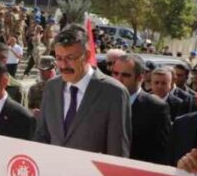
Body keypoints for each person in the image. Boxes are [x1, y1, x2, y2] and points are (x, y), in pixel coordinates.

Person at [32, 25, 130, 157]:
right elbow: (41, 136)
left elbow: (117, 152)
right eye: (59, 58)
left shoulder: (114, 93)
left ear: (87, 55)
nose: (63, 65)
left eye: (70, 58)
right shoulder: (51, 87)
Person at [112, 54, 171, 165]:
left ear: (140, 78)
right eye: (115, 73)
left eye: (125, 75)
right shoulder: (104, 101)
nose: (118, 79)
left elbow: (161, 153)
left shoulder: (156, 108)